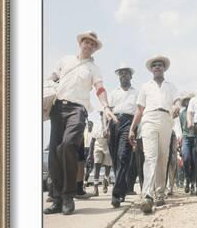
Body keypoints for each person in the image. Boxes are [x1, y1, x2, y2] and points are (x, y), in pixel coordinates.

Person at [43, 31, 117, 215]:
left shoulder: (94, 69)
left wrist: (106, 106)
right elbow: (51, 79)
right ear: (80, 43)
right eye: (86, 42)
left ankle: (69, 195)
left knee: (68, 146)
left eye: (93, 44)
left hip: (78, 110)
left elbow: (99, 89)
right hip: (57, 108)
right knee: (54, 152)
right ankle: (58, 199)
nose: (89, 45)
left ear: (95, 49)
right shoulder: (65, 60)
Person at [129, 56, 181, 214]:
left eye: (160, 65)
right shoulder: (145, 87)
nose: (157, 67)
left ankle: (160, 193)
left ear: (164, 68)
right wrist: (132, 128)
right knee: (150, 157)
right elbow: (139, 110)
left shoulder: (171, 86)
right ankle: (147, 195)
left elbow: (177, 101)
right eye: (154, 65)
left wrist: (177, 106)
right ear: (151, 69)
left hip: (166, 119)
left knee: (163, 157)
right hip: (149, 119)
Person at [108, 65, 138, 207]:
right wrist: (105, 127)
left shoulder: (136, 93)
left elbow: (139, 112)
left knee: (123, 156)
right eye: (121, 74)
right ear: (118, 76)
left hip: (129, 123)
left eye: (126, 74)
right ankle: (123, 188)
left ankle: (116, 194)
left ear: (131, 76)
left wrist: (135, 129)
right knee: (115, 159)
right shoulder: (114, 93)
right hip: (114, 123)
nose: (123, 76)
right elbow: (108, 110)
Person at [178, 92, 196, 194]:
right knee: (185, 158)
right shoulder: (182, 113)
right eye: (186, 100)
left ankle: (192, 182)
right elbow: (180, 127)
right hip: (185, 138)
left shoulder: (195, 111)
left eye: (189, 100)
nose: (187, 102)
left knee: (194, 161)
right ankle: (187, 178)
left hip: (195, 138)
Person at [91, 112, 113, 196]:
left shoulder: (110, 124)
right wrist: (90, 154)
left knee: (108, 166)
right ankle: (95, 188)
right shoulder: (96, 124)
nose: (103, 116)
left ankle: (105, 180)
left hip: (107, 145)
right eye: (101, 114)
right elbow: (93, 140)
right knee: (97, 166)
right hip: (98, 144)